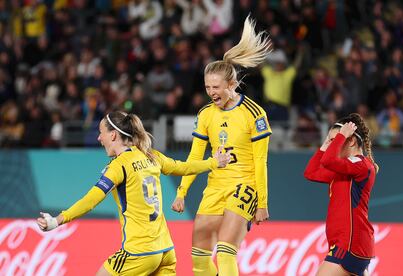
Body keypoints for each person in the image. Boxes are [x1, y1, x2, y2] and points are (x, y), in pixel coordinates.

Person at [36, 111, 231, 276]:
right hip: (166, 251)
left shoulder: (119, 165)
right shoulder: (150, 155)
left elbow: (91, 200)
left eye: (101, 133)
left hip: (139, 253)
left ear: (113, 135)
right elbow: (183, 167)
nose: (99, 138)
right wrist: (214, 162)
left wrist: (57, 220)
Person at [171, 16, 273, 275]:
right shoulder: (206, 114)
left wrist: (262, 203)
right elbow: (196, 154)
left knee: (227, 251)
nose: (211, 92)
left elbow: (261, 160)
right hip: (215, 187)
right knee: (200, 259)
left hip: (244, 185)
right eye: (207, 87)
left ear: (232, 84)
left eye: (216, 87)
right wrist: (182, 192)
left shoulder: (254, 113)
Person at [304, 113, 379, 276]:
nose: (331, 145)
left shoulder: (361, 165)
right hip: (348, 243)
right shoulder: (343, 170)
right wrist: (325, 144)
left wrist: (342, 135)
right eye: (330, 141)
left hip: (349, 243)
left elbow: (327, 161)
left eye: (335, 140)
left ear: (351, 141)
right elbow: (311, 173)